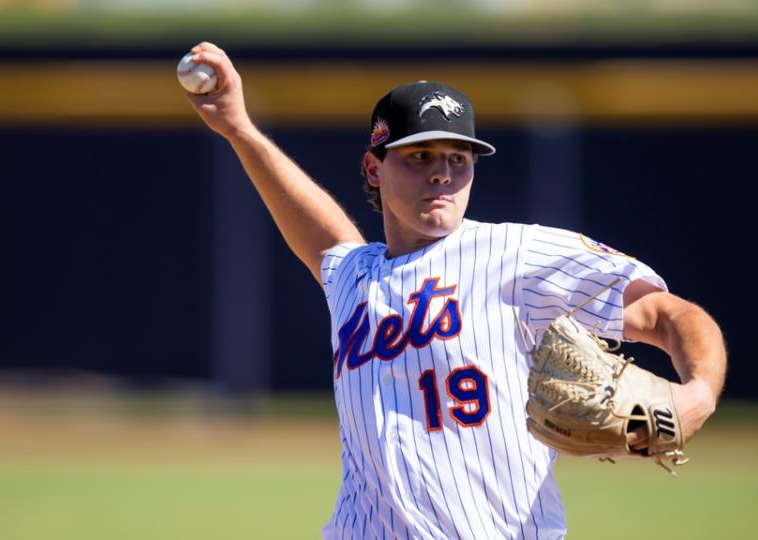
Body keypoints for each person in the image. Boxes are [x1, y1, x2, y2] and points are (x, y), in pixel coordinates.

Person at [185, 42, 726, 540]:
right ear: (374, 168)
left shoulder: (516, 254)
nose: (441, 173)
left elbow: (665, 314)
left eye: (457, 159)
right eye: (419, 156)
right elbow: (321, 233)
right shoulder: (353, 275)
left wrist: (697, 393)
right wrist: (240, 129)